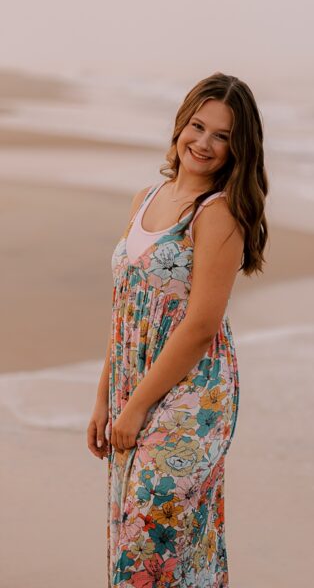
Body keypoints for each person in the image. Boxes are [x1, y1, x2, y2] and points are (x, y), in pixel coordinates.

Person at [88, 73, 267, 585]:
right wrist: (105, 398)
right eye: (198, 126)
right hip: (135, 380)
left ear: (239, 149)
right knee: (155, 540)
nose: (204, 143)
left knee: (149, 540)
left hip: (193, 394)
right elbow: (125, 308)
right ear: (181, 124)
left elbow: (201, 325)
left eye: (222, 136)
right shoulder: (146, 197)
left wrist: (139, 404)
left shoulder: (218, 213)